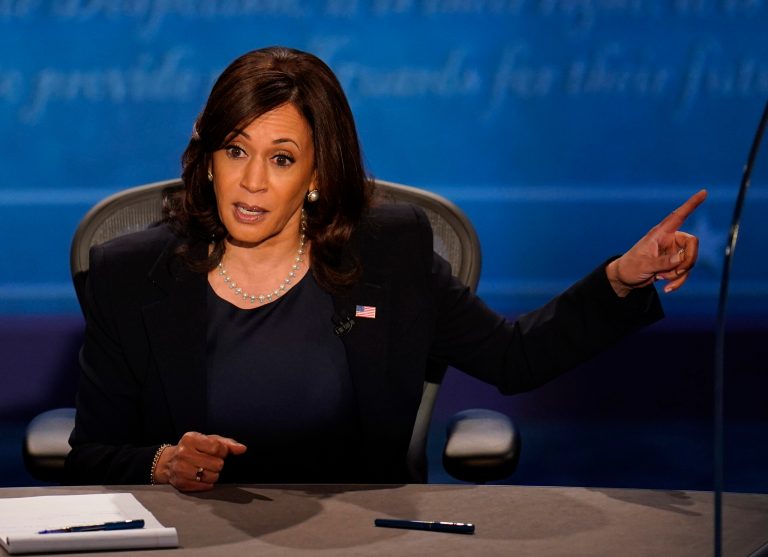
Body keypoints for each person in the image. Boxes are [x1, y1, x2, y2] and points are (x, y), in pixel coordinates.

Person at [64, 46, 706, 492]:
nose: (252, 182)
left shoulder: (387, 255)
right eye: (236, 150)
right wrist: (162, 464)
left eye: (282, 158)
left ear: (316, 174)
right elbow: (90, 455)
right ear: (208, 159)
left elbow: (517, 358)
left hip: (358, 537)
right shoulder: (131, 274)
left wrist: (622, 278)